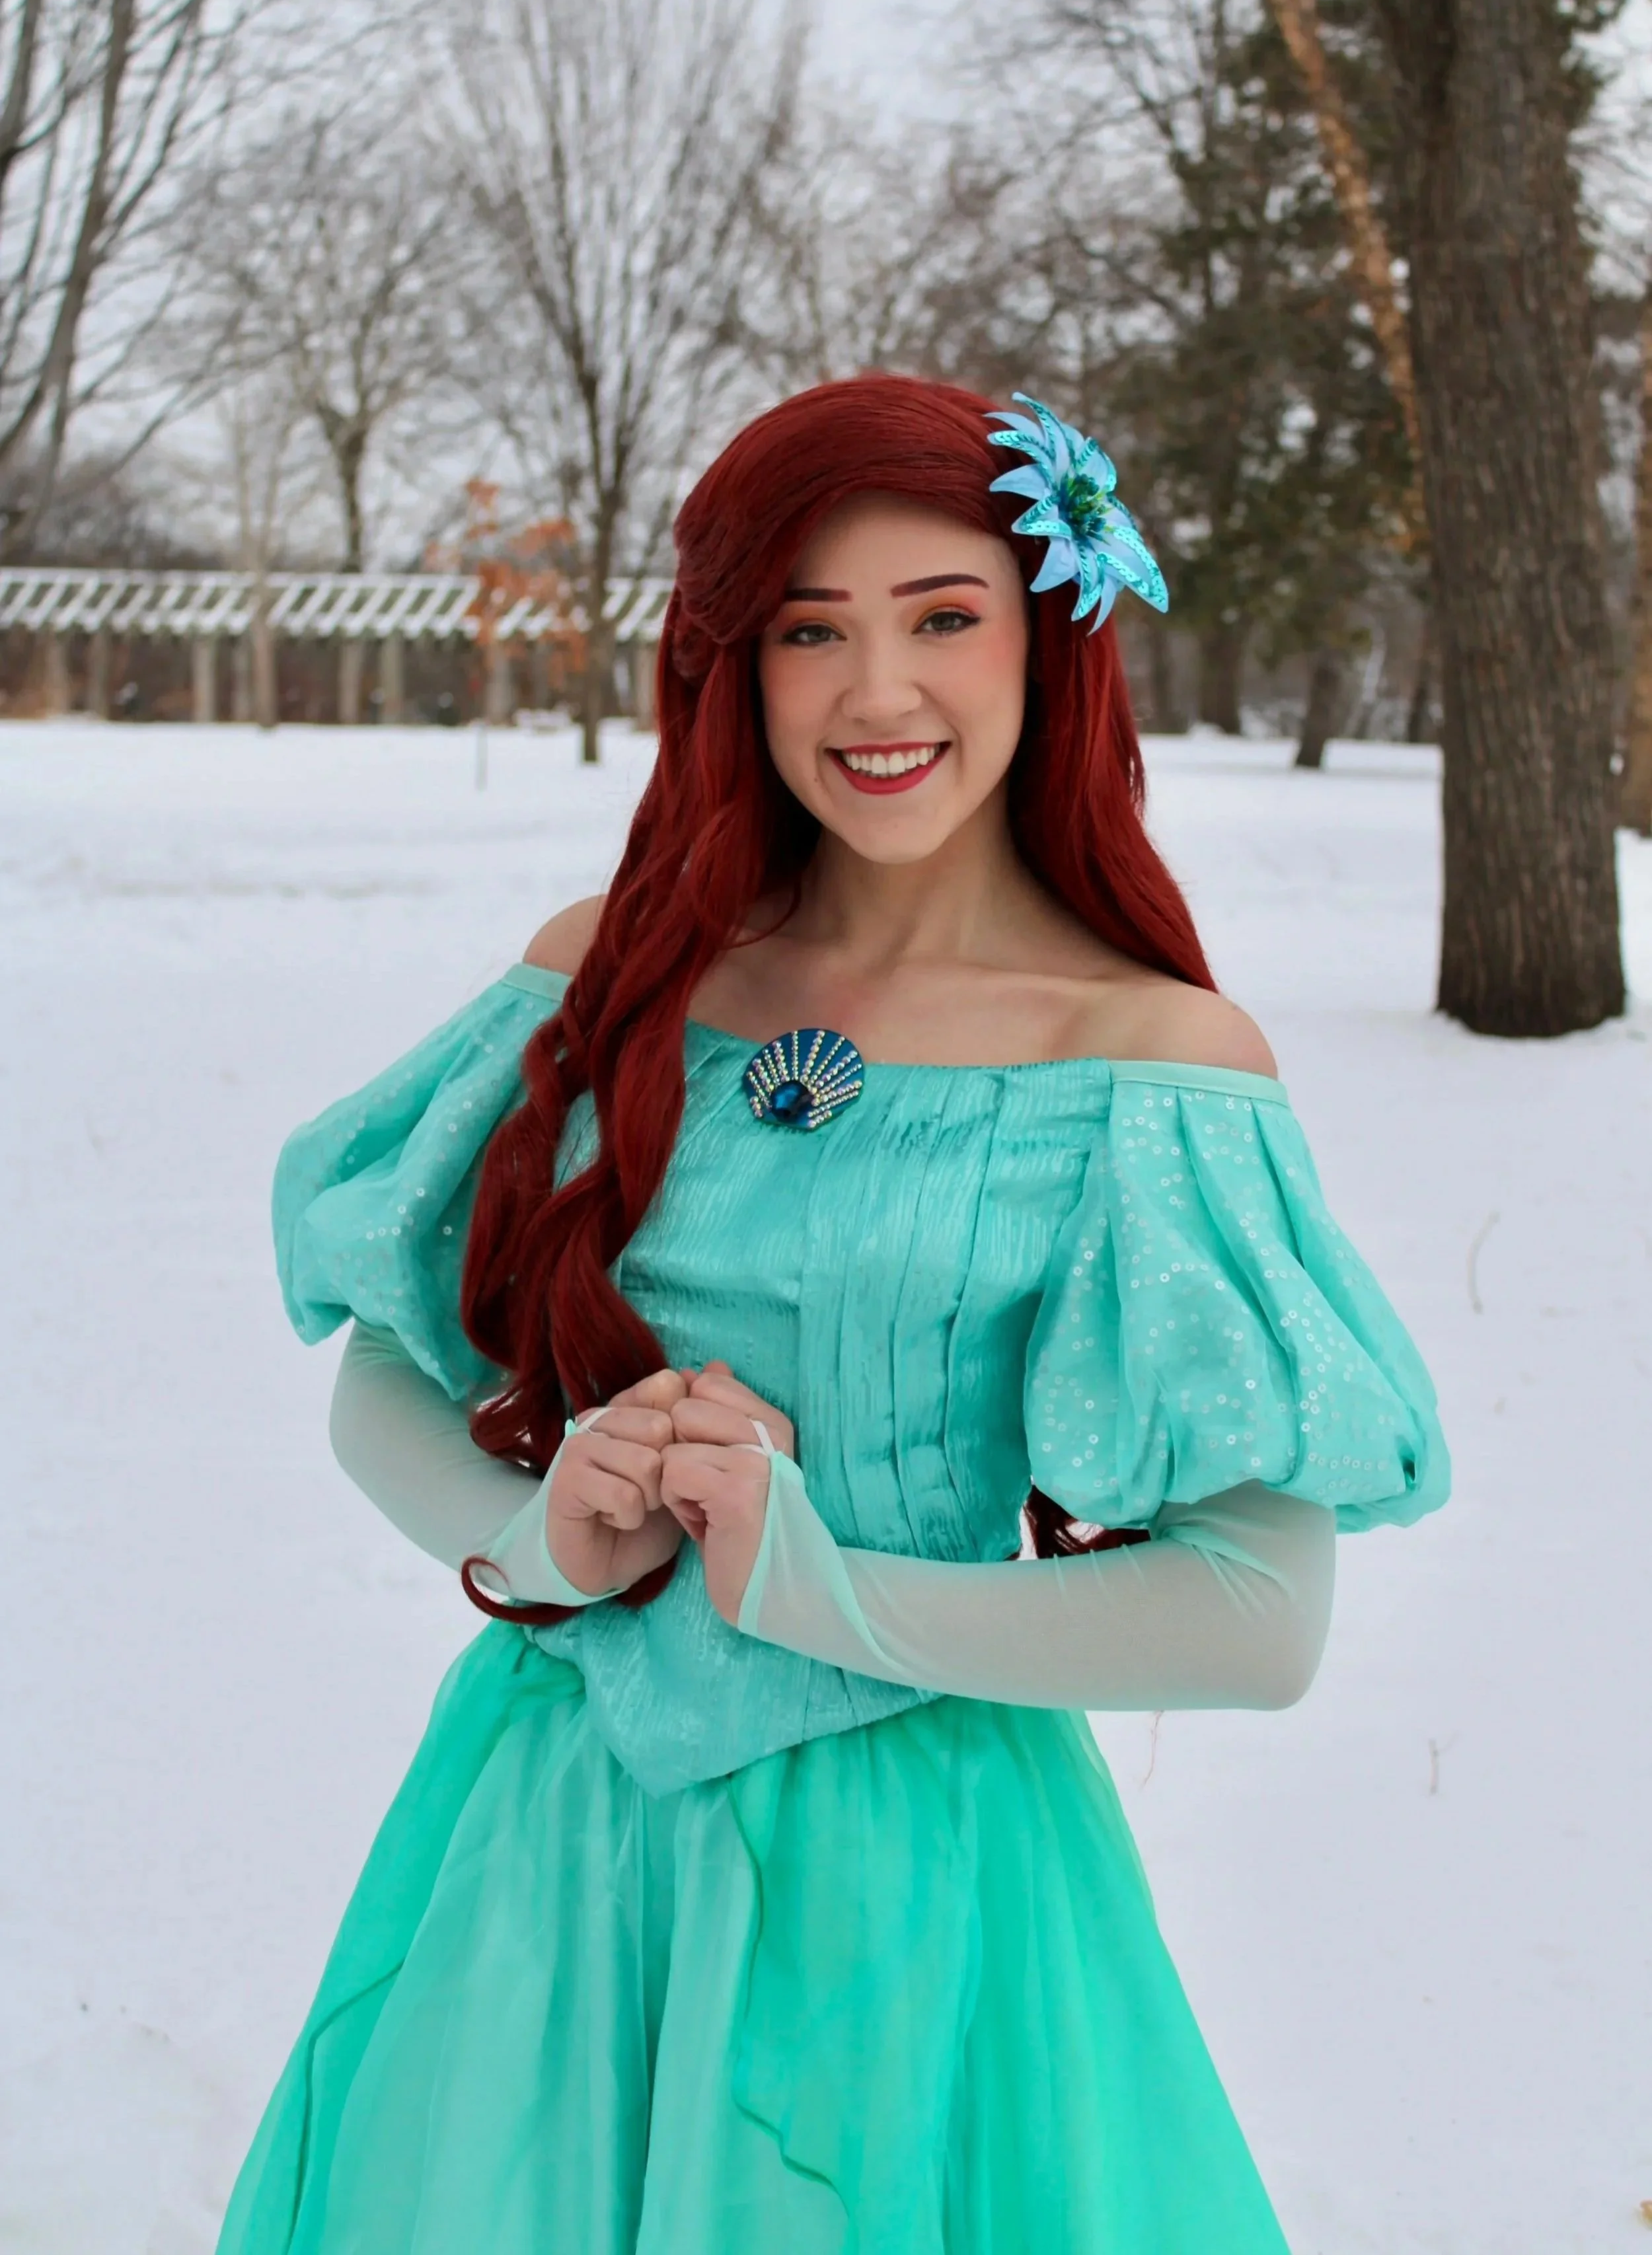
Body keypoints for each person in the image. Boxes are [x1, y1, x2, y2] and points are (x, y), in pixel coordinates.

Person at [217, 376, 1448, 2255]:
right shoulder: (609, 976)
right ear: (736, 668)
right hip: (550, 1847)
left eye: (943, 617)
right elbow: (385, 1365)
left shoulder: (1145, 1065)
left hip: (919, 1882)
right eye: (810, 632)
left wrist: (826, 1593)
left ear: (1048, 638)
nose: (879, 695)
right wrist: (538, 1542)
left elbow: (1260, 1613)